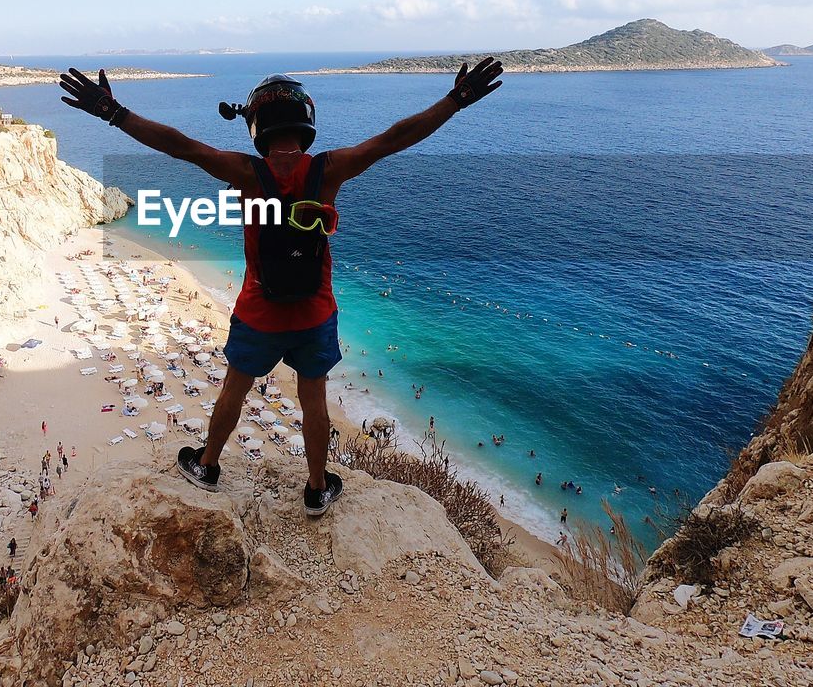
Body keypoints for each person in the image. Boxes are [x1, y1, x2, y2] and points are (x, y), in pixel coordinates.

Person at [62, 61, 503, 516]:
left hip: (259, 311)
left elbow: (180, 146)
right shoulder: (330, 169)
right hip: (315, 311)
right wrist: (456, 100)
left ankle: (207, 465)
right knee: (314, 398)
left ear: (257, 126)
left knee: (235, 388)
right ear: (305, 122)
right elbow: (395, 138)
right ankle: (316, 488)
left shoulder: (248, 173)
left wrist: (112, 113)